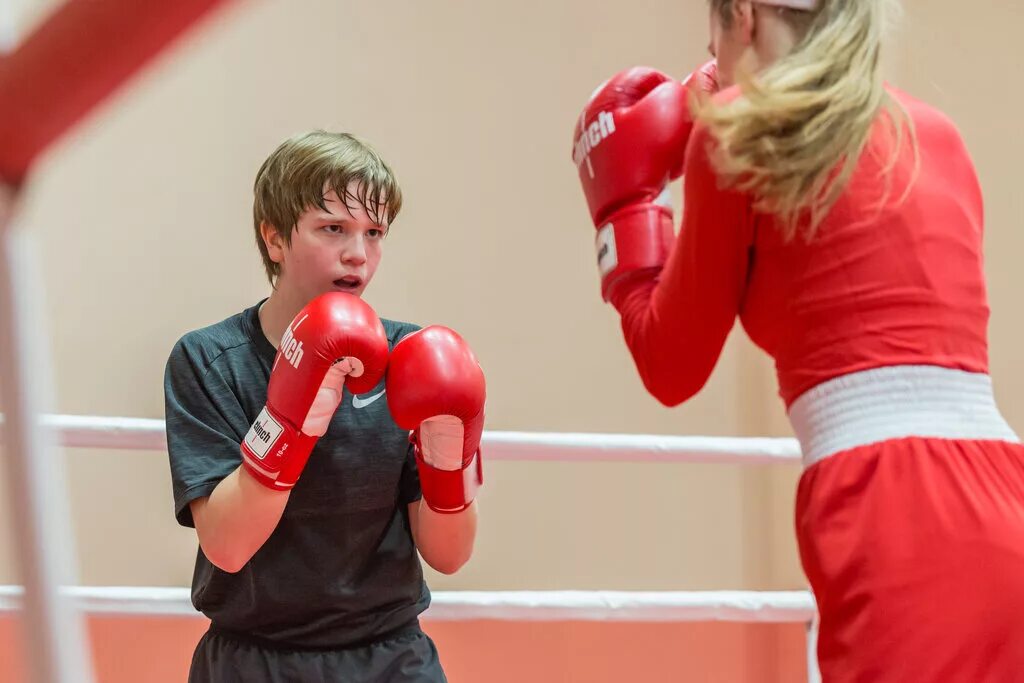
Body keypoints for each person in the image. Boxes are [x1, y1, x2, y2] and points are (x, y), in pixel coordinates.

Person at [571, 1, 1024, 680]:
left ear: (744, 17)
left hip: (889, 509)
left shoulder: (738, 141)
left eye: (712, 38)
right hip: (1005, 488)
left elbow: (670, 366)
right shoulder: (936, 132)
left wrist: (626, 216)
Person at [164, 130, 485, 682]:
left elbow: (449, 555)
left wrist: (449, 456)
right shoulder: (211, 359)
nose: (358, 253)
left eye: (374, 232)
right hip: (254, 660)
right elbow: (228, 546)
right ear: (275, 239)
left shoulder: (410, 359)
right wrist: (293, 414)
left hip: (392, 658)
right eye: (333, 228)